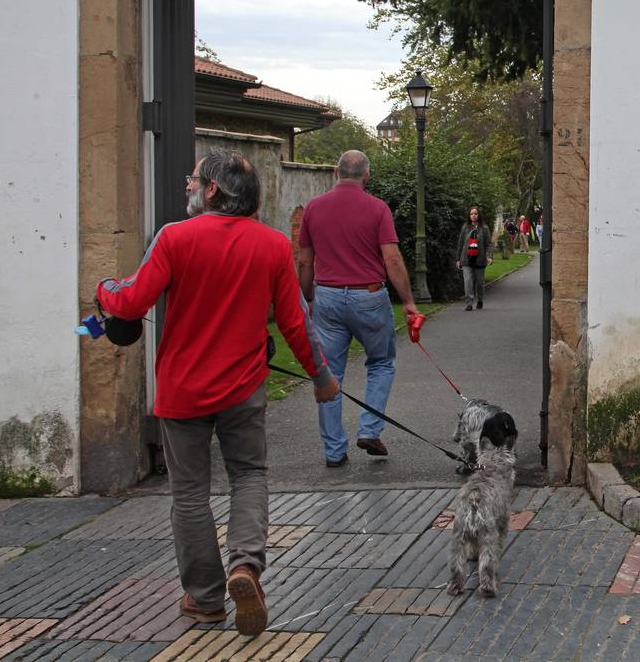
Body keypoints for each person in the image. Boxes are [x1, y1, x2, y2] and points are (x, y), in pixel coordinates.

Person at [96, 150, 339, 637]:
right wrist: (321, 377)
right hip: (244, 387)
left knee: (189, 492)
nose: (187, 186)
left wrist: (104, 289)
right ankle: (245, 567)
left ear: (211, 190)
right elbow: (295, 322)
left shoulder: (174, 238)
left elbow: (132, 299)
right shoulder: (272, 245)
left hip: (183, 389)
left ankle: (205, 599)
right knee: (249, 475)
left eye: (193, 180)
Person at [297, 150, 419, 467]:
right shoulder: (377, 209)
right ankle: (369, 429)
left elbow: (305, 261)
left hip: (328, 297)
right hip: (369, 296)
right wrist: (407, 301)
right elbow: (391, 259)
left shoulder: (312, 208)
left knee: (329, 372)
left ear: (336, 173)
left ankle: (334, 451)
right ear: (366, 177)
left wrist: (309, 297)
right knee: (380, 363)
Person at [457, 206, 493, 311]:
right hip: (466, 259)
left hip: (480, 259)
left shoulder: (484, 228)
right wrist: (458, 259)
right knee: (468, 280)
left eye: (475, 213)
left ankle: (480, 299)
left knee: (480, 282)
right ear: (469, 215)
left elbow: (489, 244)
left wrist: (489, 256)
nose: (473, 215)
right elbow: (460, 243)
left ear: (479, 215)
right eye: (471, 214)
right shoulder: (465, 227)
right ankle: (469, 303)